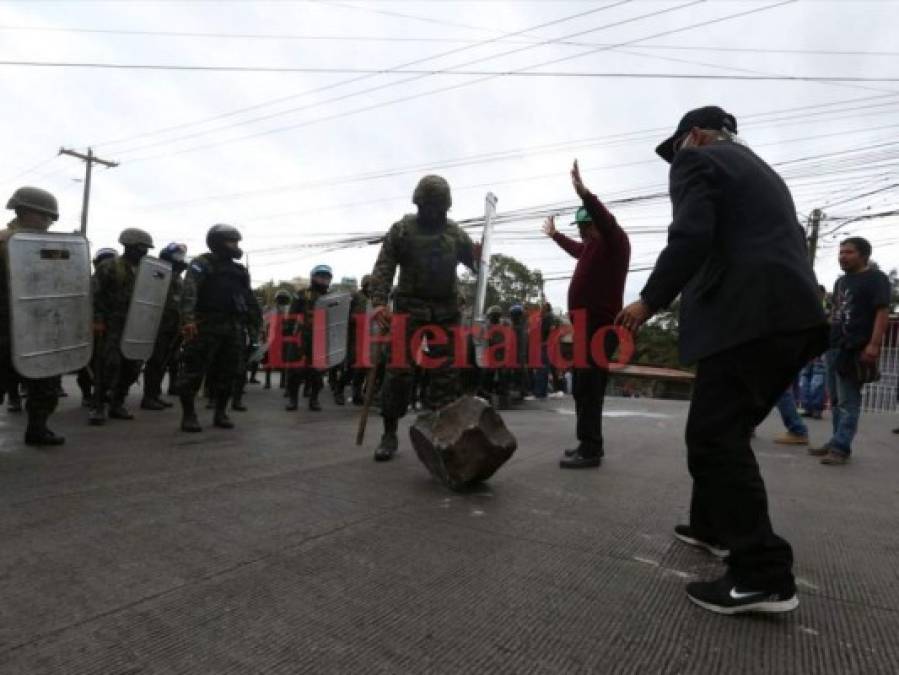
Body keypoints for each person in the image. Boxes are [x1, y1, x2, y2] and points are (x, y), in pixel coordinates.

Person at [617, 106, 828, 614]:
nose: (675, 162)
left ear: (695, 137)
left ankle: (762, 574)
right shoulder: (764, 173)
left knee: (713, 439)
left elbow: (691, 236)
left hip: (747, 318)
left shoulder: (698, 163)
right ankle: (713, 527)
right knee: (723, 431)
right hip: (790, 318)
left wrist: (649, 300)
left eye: (676, 151)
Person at [368, 174, 479, 462]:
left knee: (446, 375)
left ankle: (439, 434)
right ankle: (389, 433)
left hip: (446, 311)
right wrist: (379, 303)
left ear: (446, 207)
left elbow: (478, 264)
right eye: (428, 206)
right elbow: (383, 267)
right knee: (399, 372)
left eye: (438, 208)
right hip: (409, 309)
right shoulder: (402, 230)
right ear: (419, 203)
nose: (433, 213)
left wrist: (481, 257)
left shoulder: (455, 234)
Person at [544, 160, 630, 469]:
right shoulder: (590, 248)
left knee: (591, 385)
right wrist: (555, 235)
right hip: (583, 327)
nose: (580, 234)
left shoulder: (614, 242)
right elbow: (574, 249)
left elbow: (606, 221)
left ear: (594, 222)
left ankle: (592, 449)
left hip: (601, 327)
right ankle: (587, 442)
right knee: (582, 385)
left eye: (583, 227)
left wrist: (585, 194)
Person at [809, 237, 891, 465]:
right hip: (835, 347)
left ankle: (841, 447)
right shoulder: (841, 282)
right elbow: (836, 314)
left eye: (848, 252)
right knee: (835, 400)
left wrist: (874, 344)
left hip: (856, 348)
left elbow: (882, 312)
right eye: (841, 252)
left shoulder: (876, 278)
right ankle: (837, 440)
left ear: (863, 255)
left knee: (848, 401)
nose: (842, 256)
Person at [0, 186, 65, 445]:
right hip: (4, 327)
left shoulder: (47, 245)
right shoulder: (5, 242)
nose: (49, 223)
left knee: (45, 384)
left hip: (39, 328)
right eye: (46, 216)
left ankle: (38, 429)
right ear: (25, 211)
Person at [177, 224, 252, 432]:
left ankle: (221, 412)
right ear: (218, 242)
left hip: (233, 327)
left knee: (229, 372)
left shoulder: (239, 270)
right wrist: (188, 320)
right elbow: (189, 292)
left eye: (237, 242)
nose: (236, 246)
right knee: (193, 371)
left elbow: (248, 299)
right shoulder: (202, 263)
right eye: (232, 241)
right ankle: (189, 415)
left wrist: (253, 326)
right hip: (205, 325)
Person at [89, 228, 155, 425]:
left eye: (146, 248)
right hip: (111, 325)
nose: (144, 251)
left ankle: (117, 403)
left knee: (133, 367)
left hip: (136, 325)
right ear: (129, 246)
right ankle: (98, 406)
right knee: (108, 366)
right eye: (141, 247)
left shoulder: (148, 270)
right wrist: (97, 320)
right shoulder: (109, 266)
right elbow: (95, 295)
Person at [141, 243, 187, 410]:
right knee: (156, 361)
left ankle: (155, 394)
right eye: (178, 256)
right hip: (159, 325)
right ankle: (148, 397)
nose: (182, 259)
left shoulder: (177, 276)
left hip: (173, 326)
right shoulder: (159, 272)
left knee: (166, 361)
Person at [285, 264, 333, 412]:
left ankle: (314, 399)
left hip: (321, 337)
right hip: (302, 335)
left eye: (327, 277)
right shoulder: (302, 294)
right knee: (295, 370)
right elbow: (292, 315)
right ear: (313, 277)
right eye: (321, 276)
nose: (324, 279)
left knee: (317, 372)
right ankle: (293, 400)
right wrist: (288, 333)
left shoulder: (332, 297)